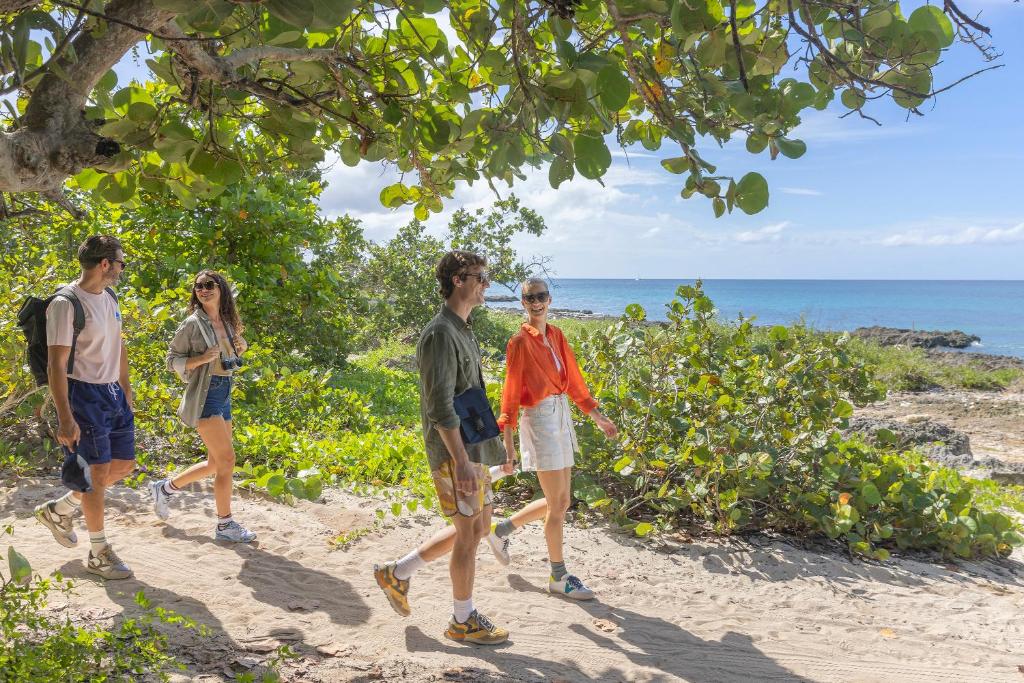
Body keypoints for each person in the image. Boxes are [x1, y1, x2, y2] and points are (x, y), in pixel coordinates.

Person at [374, 251, 509, 645]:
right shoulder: (439, 333)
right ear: (458, 280)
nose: (486, 284)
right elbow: (439, 406)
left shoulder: (462, 328)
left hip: (473, 446)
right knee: (468, 533)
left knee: (480, 527)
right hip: (456, 452)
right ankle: (462, 621)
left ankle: (397, 573)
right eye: (481, 277)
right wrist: (462, 462)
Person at [496, 277, 618, 600]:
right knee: (558, 504)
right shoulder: (519, 342)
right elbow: (509, 396)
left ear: (549, 299)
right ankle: (558, 575)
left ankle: (502, 530)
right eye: (529, 298)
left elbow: (575, 382)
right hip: (538, 419)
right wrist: (507, 442)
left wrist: (598, 417)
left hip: (561, 416)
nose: (536, 302)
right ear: (522, 303)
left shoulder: (557, 336)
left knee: (561, 501)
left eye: (541, 296)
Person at [33, 235, 136, 580]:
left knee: (122, 465)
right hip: (83, 395)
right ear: (105, 264)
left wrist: (126, 390)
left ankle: (59, 509)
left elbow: (118, 345)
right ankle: (98, 551)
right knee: (95, 475)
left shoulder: (109, 296)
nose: (122, 269)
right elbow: (55, 366)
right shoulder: (65, 303)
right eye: (121, 263)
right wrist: (65, 417)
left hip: (112, 394)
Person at [149, 270, 255, 543]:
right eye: (198, 286)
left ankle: (165, 489)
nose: (203, 290)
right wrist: (199, 359)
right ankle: (224, 525)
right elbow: (172, 360)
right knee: (227, 461)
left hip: (224, 392)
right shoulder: (192, 324)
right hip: (206, 395)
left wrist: (238, 348)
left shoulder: (228, 322)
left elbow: (225, 360)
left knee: (214, 463)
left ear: (221, 289)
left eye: (209, 285)